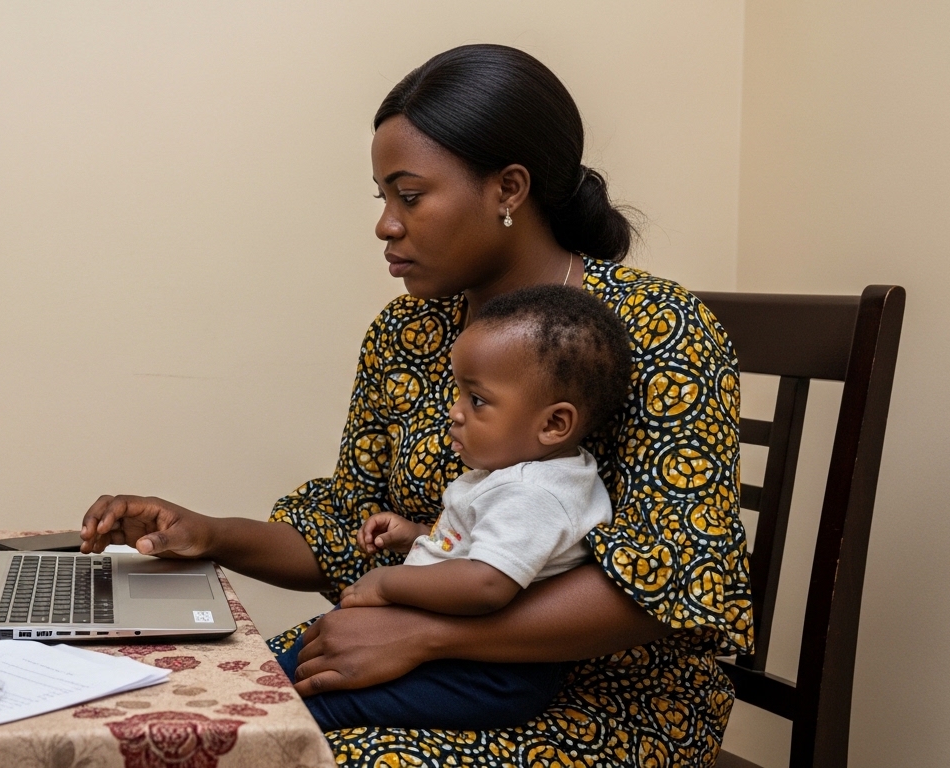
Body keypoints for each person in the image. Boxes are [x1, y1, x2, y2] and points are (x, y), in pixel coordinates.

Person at [80, 43, 750, 766]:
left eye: (411, 194)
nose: (386, 225)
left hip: (605, 699)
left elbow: (669, 578)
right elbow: (347, 527)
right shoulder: (406, 332)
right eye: (383, 198)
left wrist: (433, 634)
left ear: (509, 189)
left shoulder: (658, 328)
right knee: (177, 710)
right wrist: (208, 534)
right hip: (418, 662)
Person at [273, 285, 632, 732]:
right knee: (275, 680)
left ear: (554, 424)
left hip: (484, 673)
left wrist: (388, 582)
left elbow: (485, 584)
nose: (455, 412)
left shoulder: (536, 493)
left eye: (476, 400)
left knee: (303, 711)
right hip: (462, 660)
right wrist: (418, 533)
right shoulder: (528, 475)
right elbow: (495, 546)